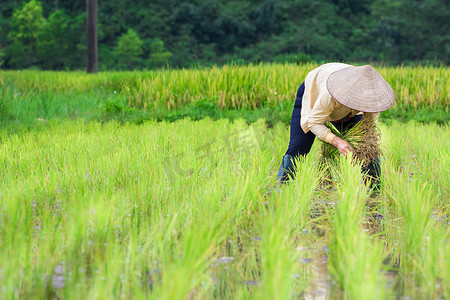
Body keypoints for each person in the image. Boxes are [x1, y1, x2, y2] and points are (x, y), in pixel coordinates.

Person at [276, 63, 395, 187]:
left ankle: (373, 192)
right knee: (299, 145)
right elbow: (314, 122)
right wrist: (337, 141)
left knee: (366, 146)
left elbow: (368, 127)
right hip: (316, 88)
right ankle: (283, 190)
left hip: (343, 105)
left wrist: (364, 142)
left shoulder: (374, 101)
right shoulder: (331, 93)